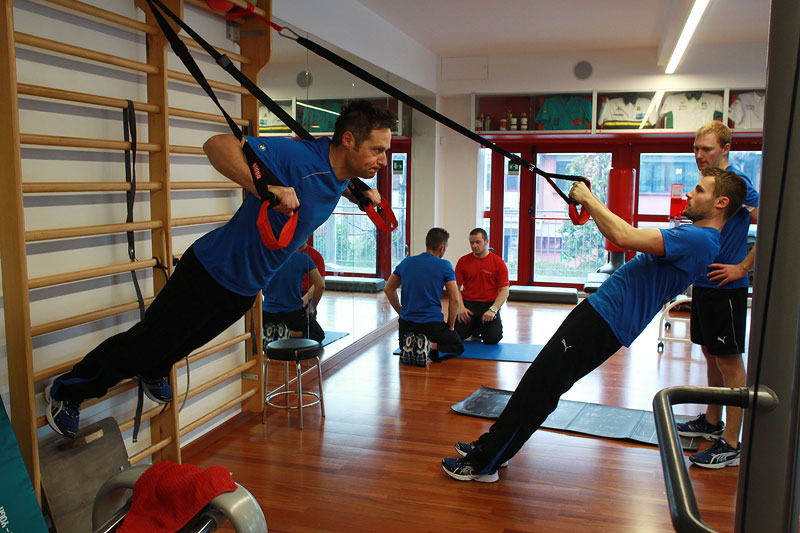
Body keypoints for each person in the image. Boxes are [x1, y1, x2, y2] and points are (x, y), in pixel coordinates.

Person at [44, 100, 395, 438]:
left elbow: (326, 178)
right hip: (210, 272)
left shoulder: (337, 169)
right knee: (145, 342)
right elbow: (218, 145)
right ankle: (68, 391)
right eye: (377, 150)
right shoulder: (299, 157)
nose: (382, 159)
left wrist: (356, 192)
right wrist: (265, 187)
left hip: (245, 287)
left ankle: (152, 369)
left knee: (186, 341)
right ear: (348, 140)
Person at [441, 167, 746, 482]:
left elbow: (623, 236)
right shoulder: (698, 236)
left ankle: (483, 463)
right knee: (540, 380)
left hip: (607, 320)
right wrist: (592, 203)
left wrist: (588, 197)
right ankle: (495, 447)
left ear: (721, 202)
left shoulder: (700, 238)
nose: (690, 194)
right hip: (602, 311)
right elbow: (621, 232)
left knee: (541, 386)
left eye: (700, 190)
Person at [675, 121, 759, 468]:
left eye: (706, 149)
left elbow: (771, 221)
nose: (699, 155)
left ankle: (731, 442)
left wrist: (743, 267)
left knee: (729, 360)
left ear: (726, 149)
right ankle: (712, 422)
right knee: (710, 352)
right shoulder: (708, 186)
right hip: (706, 283)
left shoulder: (738, 185)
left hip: (728, 286)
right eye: (696, 149)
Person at [384, 228, 464, 366]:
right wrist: (450, 326)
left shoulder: (406, 262)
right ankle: (429, 345)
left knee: (405, 344)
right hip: (431, 326)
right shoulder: (444, 265)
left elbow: (388, 289)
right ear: (442, 248)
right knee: (458, 345)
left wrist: (402, 312)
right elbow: (455, 299)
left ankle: (411, 346)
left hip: (406, 325)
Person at [454, 228, 509, 344]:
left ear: (486, 242)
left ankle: (479, 326)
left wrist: (493, 310)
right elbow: (456, 288)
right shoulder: (463, 261)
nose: (474, 246)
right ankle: (475, 327)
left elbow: (504, 291)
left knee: (493, 339)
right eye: (471, 243)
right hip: (469, 304)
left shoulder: (498, 262)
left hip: (488, 305)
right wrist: (461, 308)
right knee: (457, 336)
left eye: (478, 242)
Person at [262, 251, 326, 344]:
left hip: (267, 314)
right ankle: (289, 333)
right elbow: (320, 285)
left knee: (271, 324)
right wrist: (312, 306)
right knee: (318, 334)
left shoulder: (265, 257)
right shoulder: (303, 258)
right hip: (293, 314)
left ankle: (276, 332)